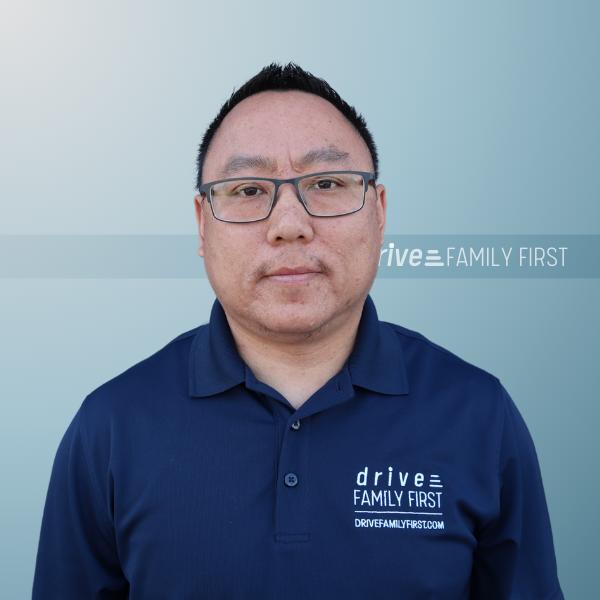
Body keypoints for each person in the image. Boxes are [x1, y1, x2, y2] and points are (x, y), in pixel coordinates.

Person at [32, 62, 564, 599]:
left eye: (327, 183)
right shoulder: (111, 428)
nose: (289, 225)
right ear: (202, 223)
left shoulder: (478, 414)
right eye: (247, 189)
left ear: (379, 213)